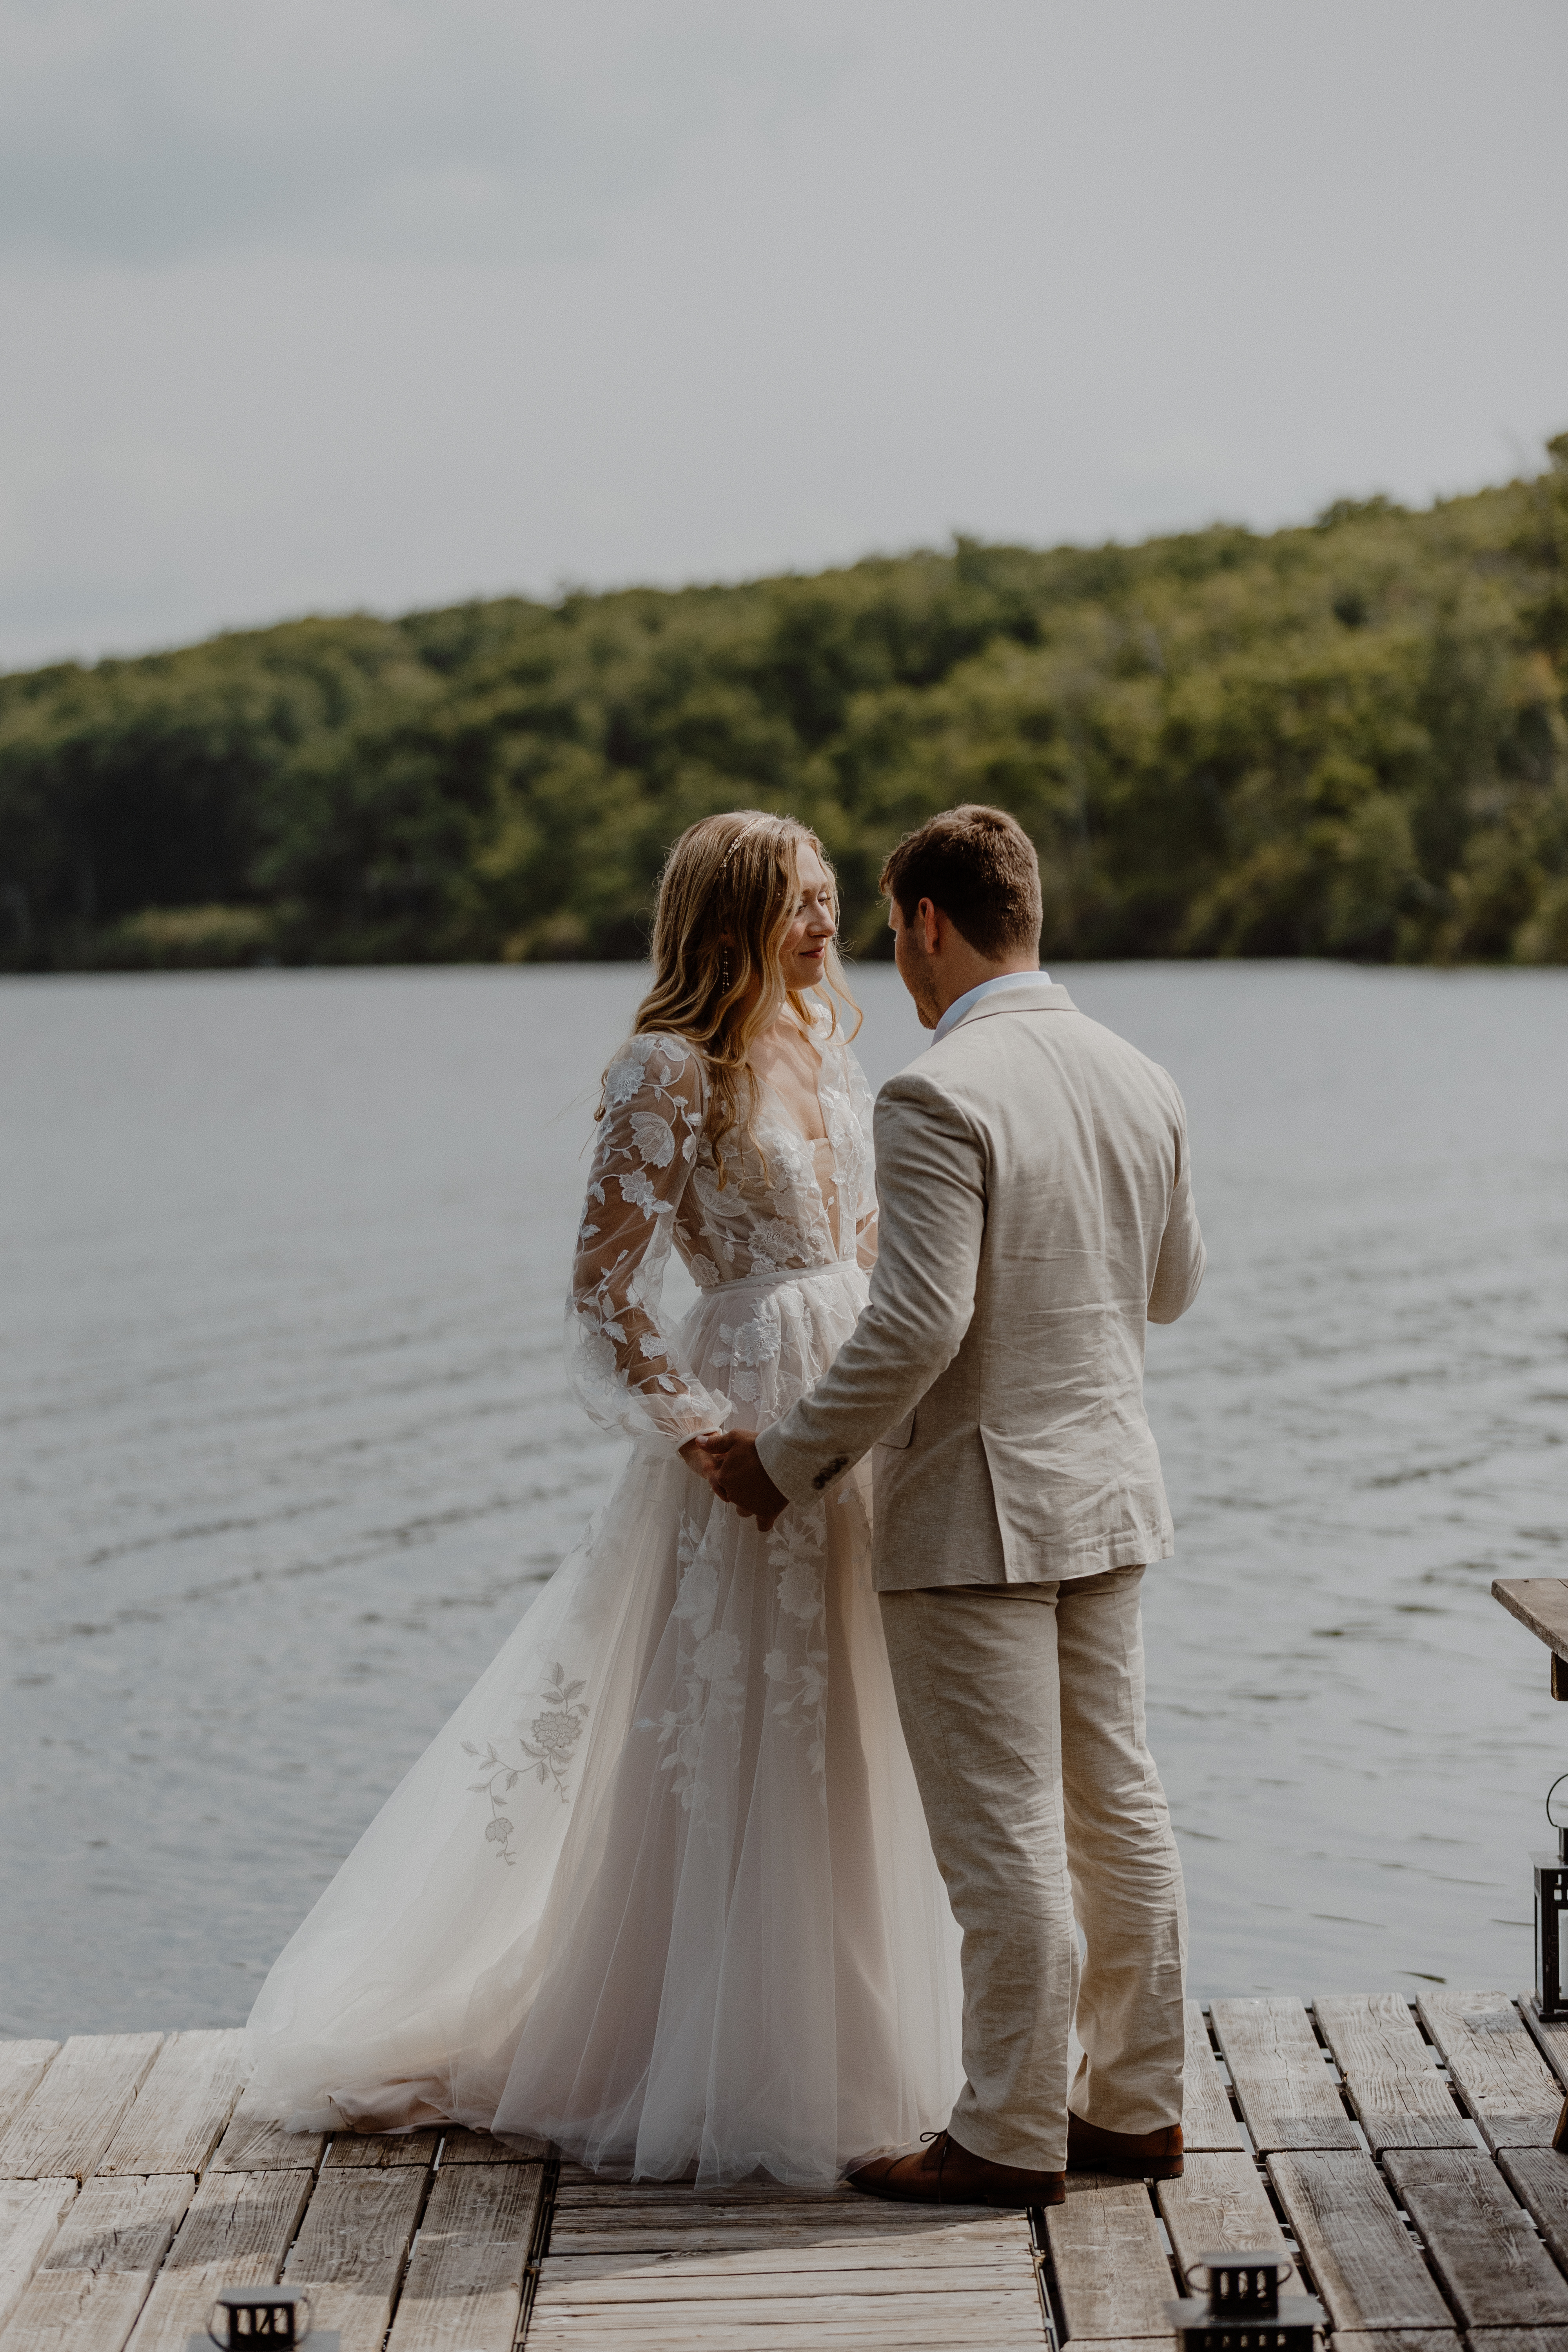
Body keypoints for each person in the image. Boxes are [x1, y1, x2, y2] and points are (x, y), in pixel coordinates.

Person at [243, 809, 962, 2189]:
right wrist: (709, 1443)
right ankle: (704, 2050)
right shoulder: (665, 1067)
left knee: (864, 1724)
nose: (829, 926)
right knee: (749, 1722)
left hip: (852, 1408)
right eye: (802, 904)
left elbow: (870, 1245)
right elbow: (603, 1298)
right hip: (747, 1404)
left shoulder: (833, 1047)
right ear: (731, 915)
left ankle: (869, 2045)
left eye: (830, 900)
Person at [702, 803, 1205, 2207]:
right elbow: (1172, 1286)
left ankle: (1004, 2134)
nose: (891, 965)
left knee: (1001, 1835)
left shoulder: (939, 1090)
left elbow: (917, 1325)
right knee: (1120, 1806)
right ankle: (1140, 2106)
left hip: (975, 1517)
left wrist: (785, 1457)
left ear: (927, 923)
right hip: (1110, 1495)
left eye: (892, 931)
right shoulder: (1138, 1073)